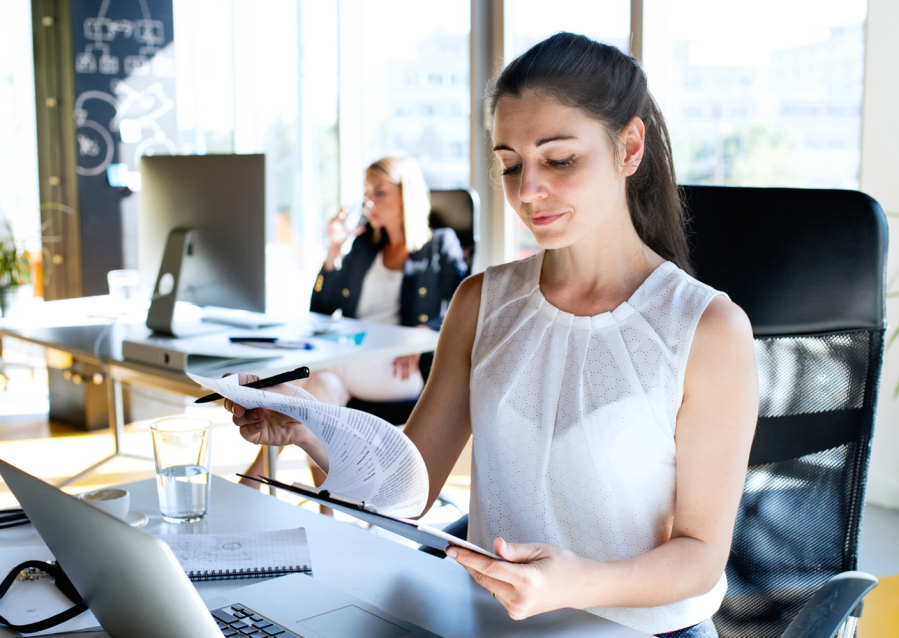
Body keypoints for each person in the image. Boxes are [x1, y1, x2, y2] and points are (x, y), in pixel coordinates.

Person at [228, 33, 758, 638]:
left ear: (629, 147)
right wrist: (308, 428)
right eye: (510, 165)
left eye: (560, 160)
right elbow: (408, 489)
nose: (527, 191)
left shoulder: (707, 330)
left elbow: (700, 556)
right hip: (490, 622)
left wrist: (573, 584)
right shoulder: (481, 303)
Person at [240, 156, 467, 491]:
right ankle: (326, 506)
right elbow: (321, 308)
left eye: (380, 192)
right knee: (319, 393)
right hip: (350, 366)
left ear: (406, 195)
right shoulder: (364, 246)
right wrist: (334, 248)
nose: (369, 203)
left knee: (318, 368)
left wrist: (424, 332)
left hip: (403, 370)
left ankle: (255, 471)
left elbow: (465, 307)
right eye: (366, 194)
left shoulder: (439, 244)